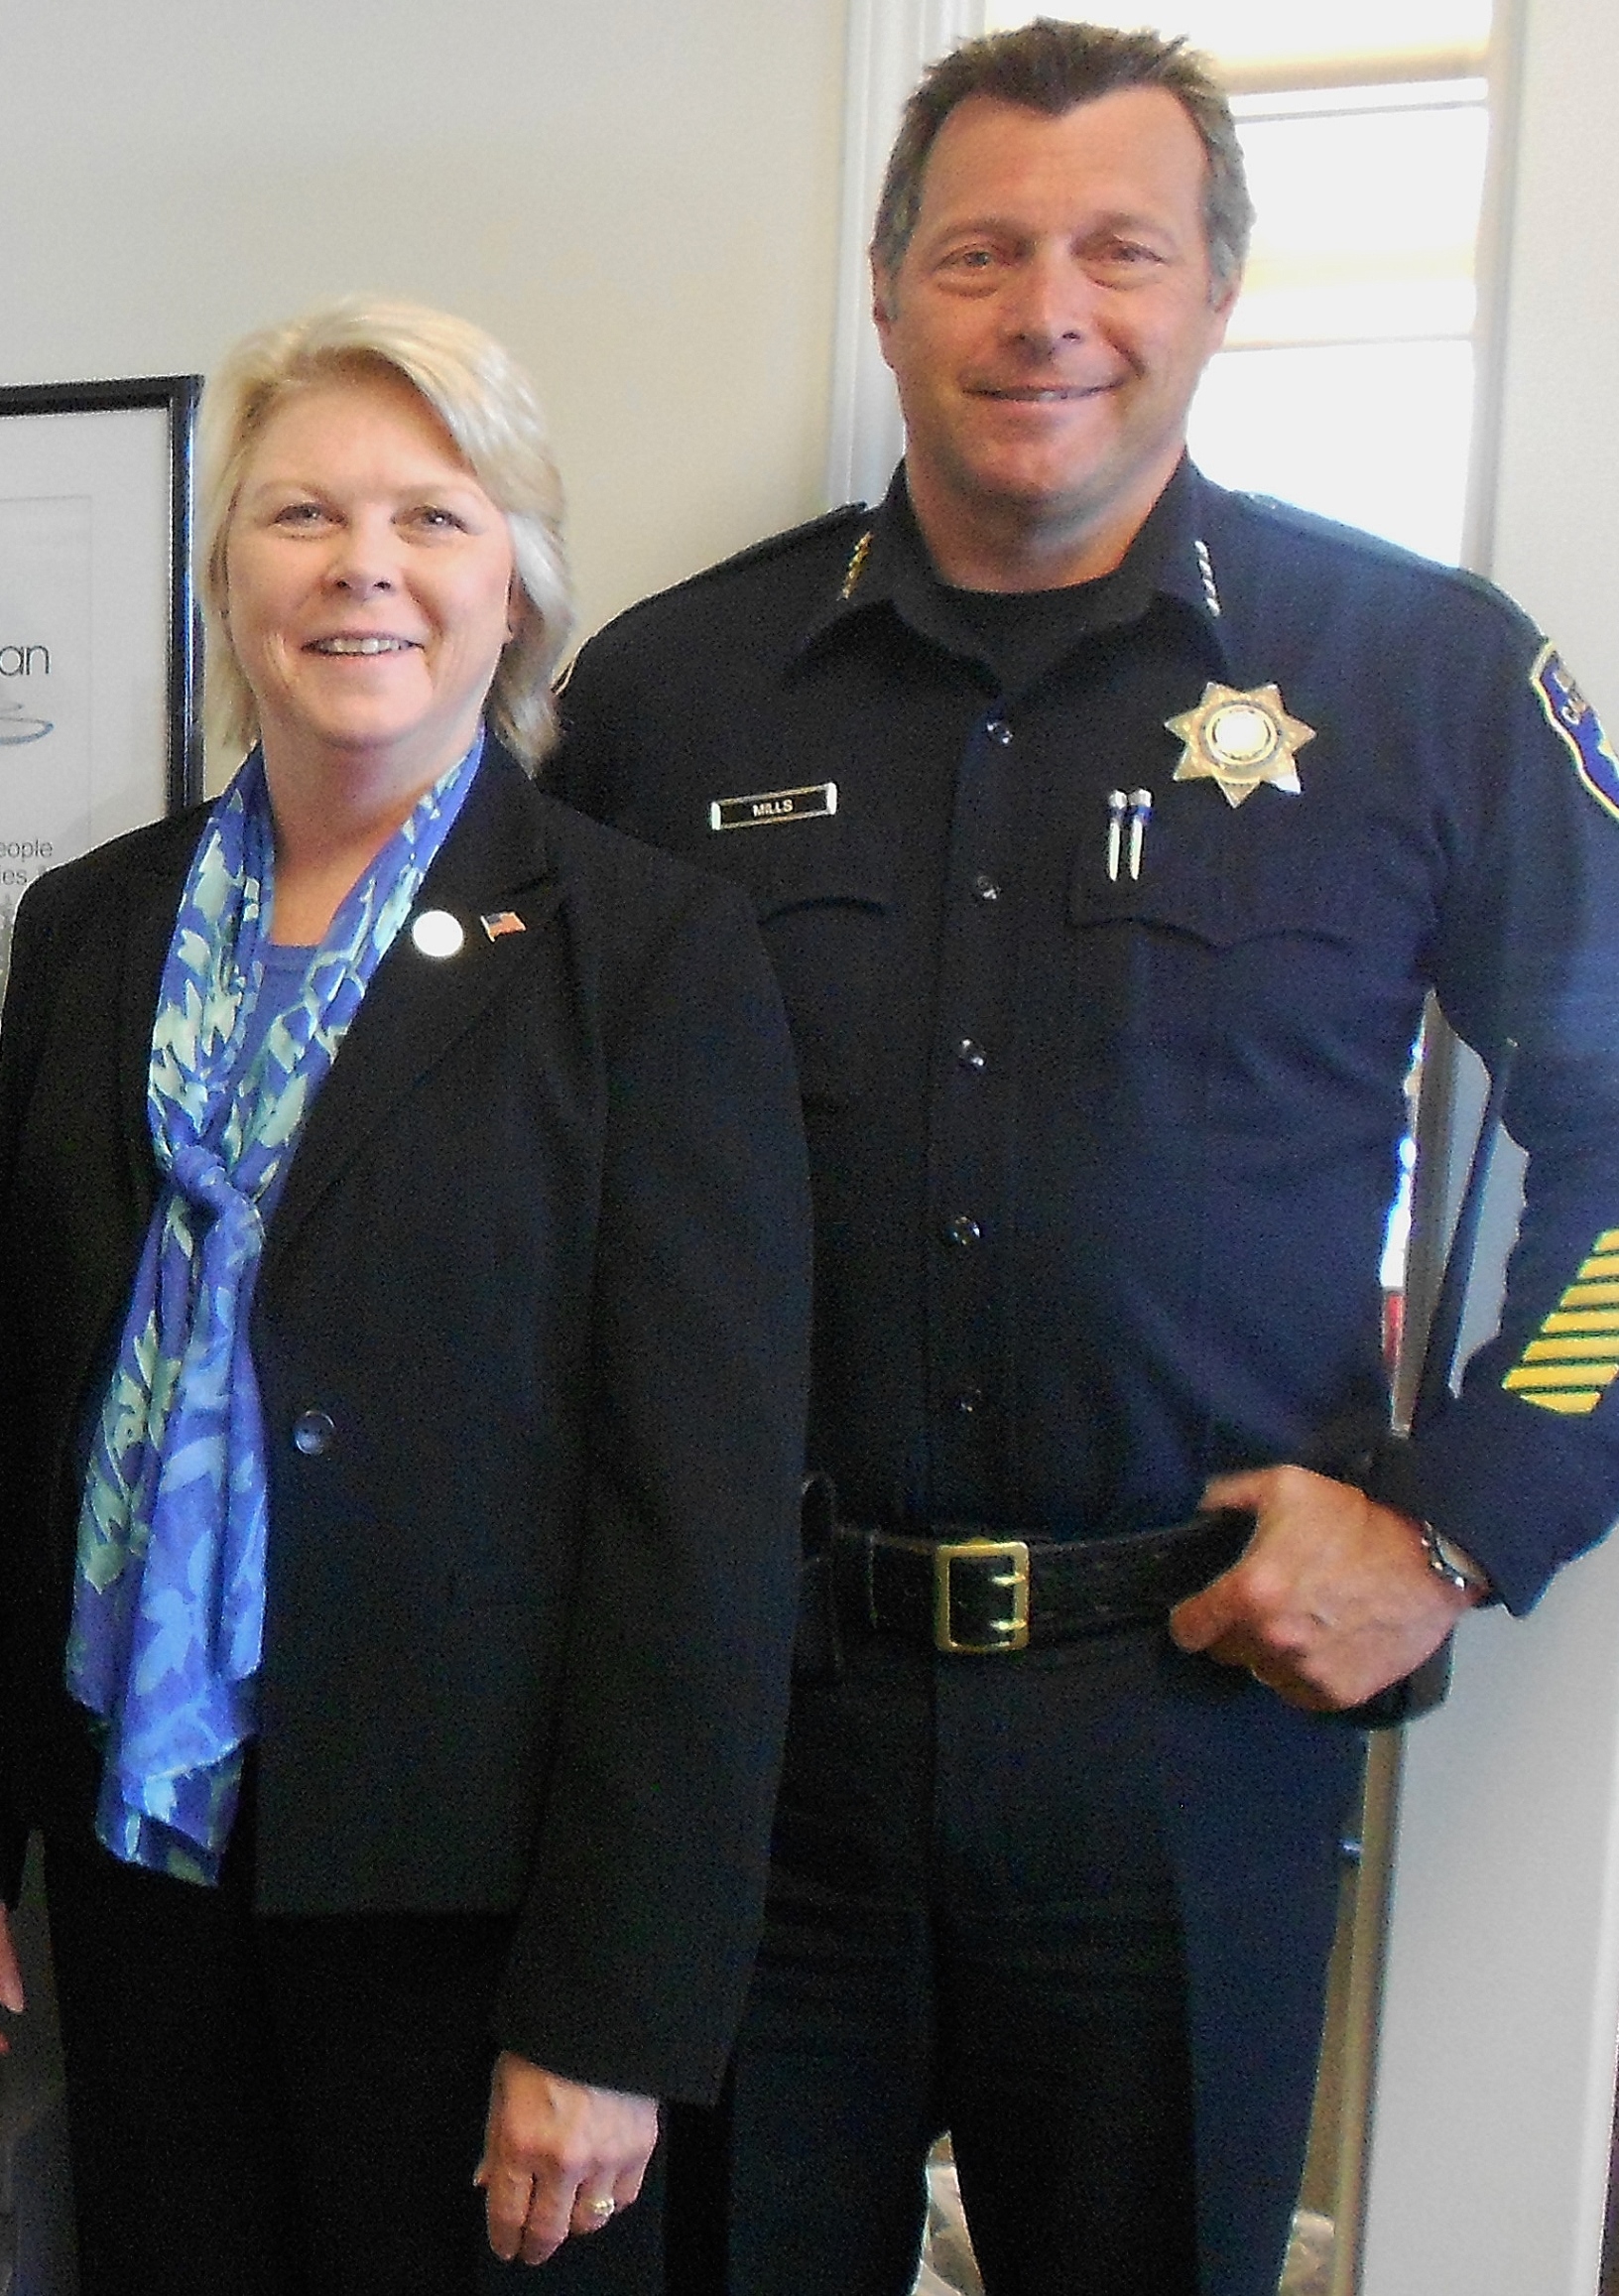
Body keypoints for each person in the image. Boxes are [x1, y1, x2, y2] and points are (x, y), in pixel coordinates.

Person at [540, 23, 1619, 2294]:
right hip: (756, 1738)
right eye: (979, 253)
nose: (1046, 312)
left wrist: (1455, 1520)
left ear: (1216, 286)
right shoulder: (667, 693)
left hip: (1184, 1736)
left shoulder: (1422, 679)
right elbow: (534, 1191)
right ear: (882, 290)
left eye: (1117, 251)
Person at [0, 297, 814, 2290]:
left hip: (474, 1922)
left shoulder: (649, 955)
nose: (360, 566)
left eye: (430, 518)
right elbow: (5, 1394)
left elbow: (700, 1536)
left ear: (513, 589)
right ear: (226, 574)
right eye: (300, 513)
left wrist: (610, 2016)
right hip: (138, 1860)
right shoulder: (93, 924)